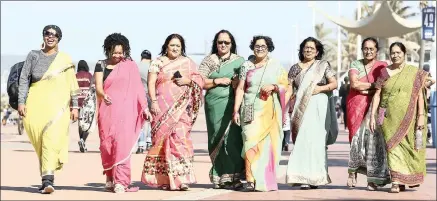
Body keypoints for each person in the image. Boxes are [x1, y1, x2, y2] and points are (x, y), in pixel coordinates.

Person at [18, 25, 79, 194]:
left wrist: (75, 106)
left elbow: (72, 84)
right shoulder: (33, 55)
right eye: (47, 33)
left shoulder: (65, 59)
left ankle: (47, 181)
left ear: (59, 38)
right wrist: (21, 102)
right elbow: (24, 79)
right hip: (35, 104)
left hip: (58, 107)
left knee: (51, 140)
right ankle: (46, 173)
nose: (50, 37)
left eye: (55, 35)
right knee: (40, 140)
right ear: (43, 36)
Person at [141, 33, 204, 191]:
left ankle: (181, 179)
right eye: (172, 45)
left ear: (182, 47)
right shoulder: (158, 62)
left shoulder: (188, 63)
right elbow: (151, 83)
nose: (175, 48)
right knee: (161, 143)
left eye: (178, 46)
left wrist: (188, 81)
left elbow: (199, 80)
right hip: (161, 108)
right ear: (166, 46)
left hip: (182, 109)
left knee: (180, 141)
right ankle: (164, 179)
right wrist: (153, 102)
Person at [94, 33, 152, 193]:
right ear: (108, 50)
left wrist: (145, 107)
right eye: (115, 52)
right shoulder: (100, 64)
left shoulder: (130, 65)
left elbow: (138, 89)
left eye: (121, 52)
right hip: (107, 111)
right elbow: (98, 86)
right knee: (107, 145)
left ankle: (121, 181)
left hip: (126, 113)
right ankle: (110, 177)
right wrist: (102, 95)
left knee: (122, 145)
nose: (118, 56)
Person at [369, 42, 429, 193]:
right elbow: (377, 95)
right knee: (392, 148)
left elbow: (419, 96)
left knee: (406, 148)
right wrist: (372, 116)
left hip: (409, 117)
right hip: (387, 117)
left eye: (398, 52)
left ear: (404, 54)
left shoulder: (414, 73)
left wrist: (421, 116)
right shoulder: (384, 73)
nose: (395, 55)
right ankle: (395, 181)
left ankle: (402, 180)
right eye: (393, 53)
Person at [233, 35, 289, 192]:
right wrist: (236, 110)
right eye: (257, 46)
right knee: (250, 142)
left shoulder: (276, 65)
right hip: (249, 109)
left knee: (267, 146)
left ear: (268, 48)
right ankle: (250, 180)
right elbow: (240, 88)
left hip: (269, 111)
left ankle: (264, 180)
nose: (259, 48)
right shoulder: (246, 65)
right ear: (252, 47)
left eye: (263, 46)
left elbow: (286, 85)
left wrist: (274, 86)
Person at [285, 37, 338, 190]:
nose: (308, 50)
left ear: (317, 51)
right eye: (306, 47)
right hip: (301, 108)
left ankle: (316, 177)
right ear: (301, 50)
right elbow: (290, 88)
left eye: (312, 48)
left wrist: (319, 89)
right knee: (302, 140)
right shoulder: (295, 68)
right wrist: (284, 103)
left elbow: (334, 83)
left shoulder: (323, 65)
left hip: (319, 106)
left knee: (316, 141)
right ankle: (302, 177)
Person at [198, 30, 245, 189]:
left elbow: (244, 84)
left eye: (226, 42)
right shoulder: (208, 61)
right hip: (213, 105)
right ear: (216, 43)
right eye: (220, 42)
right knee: (216, 138)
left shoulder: (240, 61)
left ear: (232, 44)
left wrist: (236, 83)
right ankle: (219, 176)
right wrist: (218, 80)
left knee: (233, 140)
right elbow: (200, 82)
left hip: (233, 105)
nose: (223, 45)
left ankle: (234, 177)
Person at [346, 37, 390, 191]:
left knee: (374, 142)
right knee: (355, 140)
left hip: (375, 106)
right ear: (362, 49)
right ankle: (353, 173)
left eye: (371, 49)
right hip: (356, 106)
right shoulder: (356, 64)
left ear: (376, 50)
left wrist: (367, 89)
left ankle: (372, 179)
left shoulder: (383, 66)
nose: (368, 51)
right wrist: (373, 86)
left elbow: (385, 85)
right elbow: (354, 84)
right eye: (365, 48)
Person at [136, 50, 153, 154]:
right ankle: (149, 142)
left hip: (140, 96)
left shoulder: (137, 67)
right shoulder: (153, 67)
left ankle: (141, 145)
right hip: (152, 95)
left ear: (141, 57)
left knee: (140, 121)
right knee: (152, 120)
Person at [76, 60, 93, 153]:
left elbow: (72, 90)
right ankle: (83, 140)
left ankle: (82, 140)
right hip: (87, 103)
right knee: (87, 123)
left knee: (80, 123)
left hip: (77, 103)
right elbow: (93, 87)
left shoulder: (75, 76)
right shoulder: (89, 75)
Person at [422, 64, 435, 145]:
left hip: (428, 102)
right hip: (425, 101)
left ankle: (429, 137)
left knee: (428, 122)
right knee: (426, 122)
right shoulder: (423, 80)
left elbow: (432, 82)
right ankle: (428, 137)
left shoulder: (426, 78)